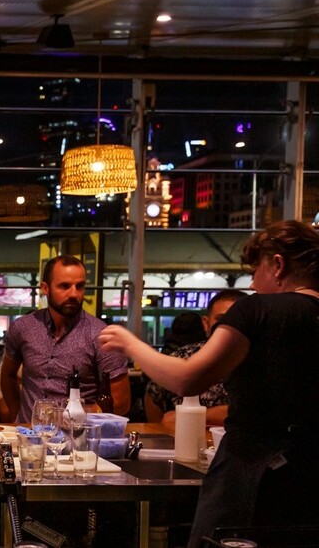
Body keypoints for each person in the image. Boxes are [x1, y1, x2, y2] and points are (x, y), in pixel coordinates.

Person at [98, 220, 319, 546]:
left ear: (277, 264)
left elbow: (189, 379)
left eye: (255, 270)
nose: (253, 282)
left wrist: (131, 345)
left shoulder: (257, 310)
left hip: (250, 475)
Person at [0, 254, 130, 423]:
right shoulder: (23, 327)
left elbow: (121, 402)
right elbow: (8, 375)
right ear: (45, 288)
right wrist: (20, 416)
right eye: (65, 286)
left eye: (80, 286)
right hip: (30, 435)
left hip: (78, 438)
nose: (74, 294)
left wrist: (82, 416)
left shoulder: (101, 335)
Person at [145, 290, 247, 429]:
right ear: (206, 323)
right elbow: (153, 393)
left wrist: (196, 415)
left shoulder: (266, 360)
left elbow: (257, 413)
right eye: (221, 319)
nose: (229, 326)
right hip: (186, 443)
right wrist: (160, 430)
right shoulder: (185, 356)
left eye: (238, 320)